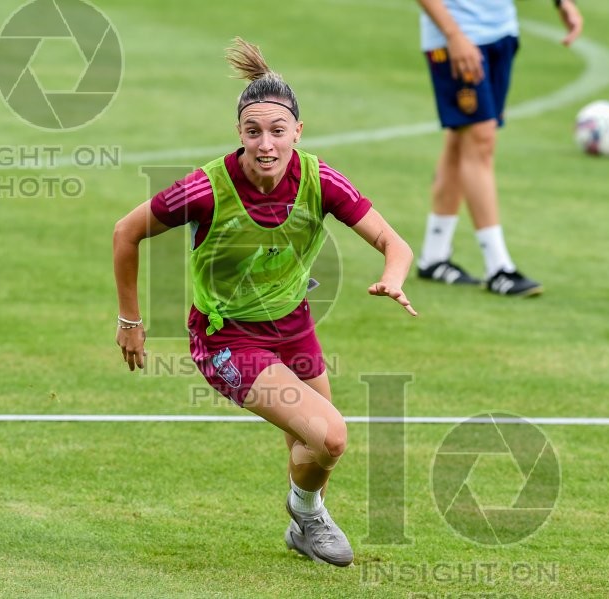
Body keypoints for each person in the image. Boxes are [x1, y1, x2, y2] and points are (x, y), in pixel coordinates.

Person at [113, 37, 418, 567]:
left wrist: (393, 277)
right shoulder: (205, 190)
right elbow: (125, 232)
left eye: (278, 131)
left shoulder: (320, 180)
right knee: (333, 436)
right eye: (253, 132)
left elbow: (395, 243)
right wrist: (130, 321)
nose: (266, 144)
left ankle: (305, 519)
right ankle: (308, 513)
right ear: (239, 134)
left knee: (317, 447)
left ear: (298, 132)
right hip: (227, 336)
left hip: (295, 326)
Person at [414, 0, 583, 296]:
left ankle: (434, 256)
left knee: (462, 140)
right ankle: (498, 268)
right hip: (458, 37)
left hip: (501, 30)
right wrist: (453, 35)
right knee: (481, 141)